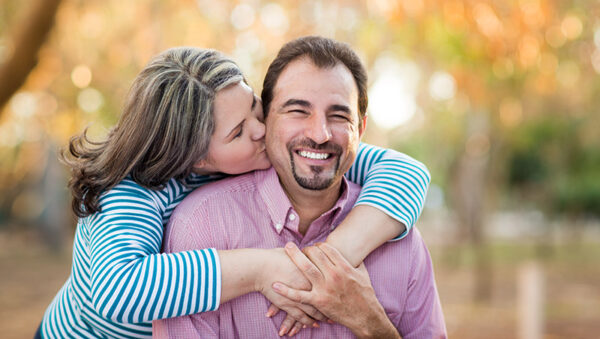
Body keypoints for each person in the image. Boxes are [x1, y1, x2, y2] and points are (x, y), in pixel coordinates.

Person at [38, 46, 431, 338]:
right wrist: (263, 268)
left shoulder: (280, 151)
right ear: (197, 159)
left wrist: (329, 261)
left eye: (255, 110)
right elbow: (117, 289)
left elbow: (407, 172)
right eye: (238, 132)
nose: (261, 131)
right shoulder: (133, 192)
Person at [154, 37, 446, 338]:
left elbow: (408, 170)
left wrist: (370, 322)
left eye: (338, 115)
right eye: (297, 111)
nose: (319, 134)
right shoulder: (199, 225)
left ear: (359, 130)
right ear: (267, 118)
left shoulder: (402, 244)